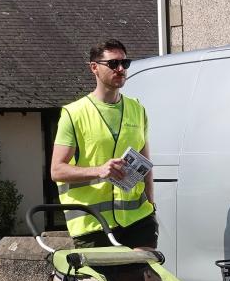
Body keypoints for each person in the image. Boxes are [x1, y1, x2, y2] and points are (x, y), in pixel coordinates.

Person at [50, 39, 157, 250]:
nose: (120, 69)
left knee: (150, 280)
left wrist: (151, 203)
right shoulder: (73, 113)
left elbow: (146, 163)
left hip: (138, 218)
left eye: (124, 64)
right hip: (93, 223)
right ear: (94, 68)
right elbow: (56, 170)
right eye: (113, 64)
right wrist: (100, 170)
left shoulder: (138, 109)